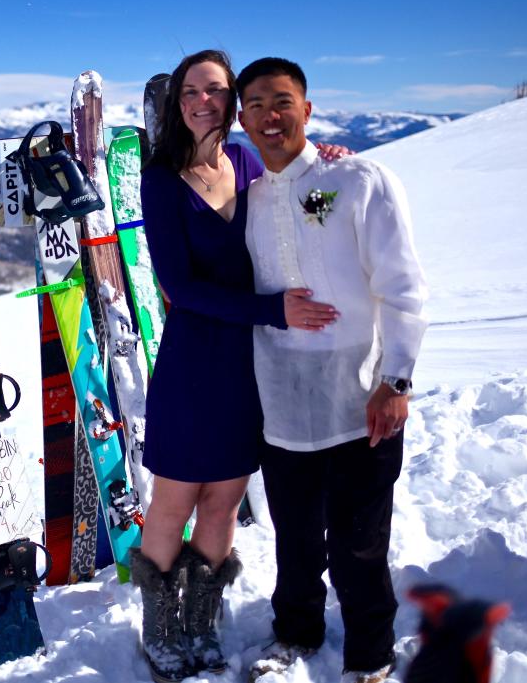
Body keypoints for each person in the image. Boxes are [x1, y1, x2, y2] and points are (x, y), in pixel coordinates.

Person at [133, 49, 343, 683]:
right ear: (178, 102)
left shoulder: (249, 162)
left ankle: (199, 620)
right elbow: (181, 287)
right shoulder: (161, 178)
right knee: (175, 498)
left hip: (249, 361)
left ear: (230, 100)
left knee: (224, 501)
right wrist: (274, 309)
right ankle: (160, 628)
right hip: (196, 355)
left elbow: (301, 209)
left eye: (216, 91)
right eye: (191, 91)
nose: (204, 101)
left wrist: (325, 167)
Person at [237, 57, 427, 683]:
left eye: (283, 100)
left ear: (307, 110)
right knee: (294, 539)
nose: (271, 114)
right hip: (284, 404)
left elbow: (402, 288)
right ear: (243, 117)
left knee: (358, 543)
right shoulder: (251, 200)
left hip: (358, 399)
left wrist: (395, 380)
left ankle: (370, 655)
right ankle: (295, 632)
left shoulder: (357, 179)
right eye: (257, 103)